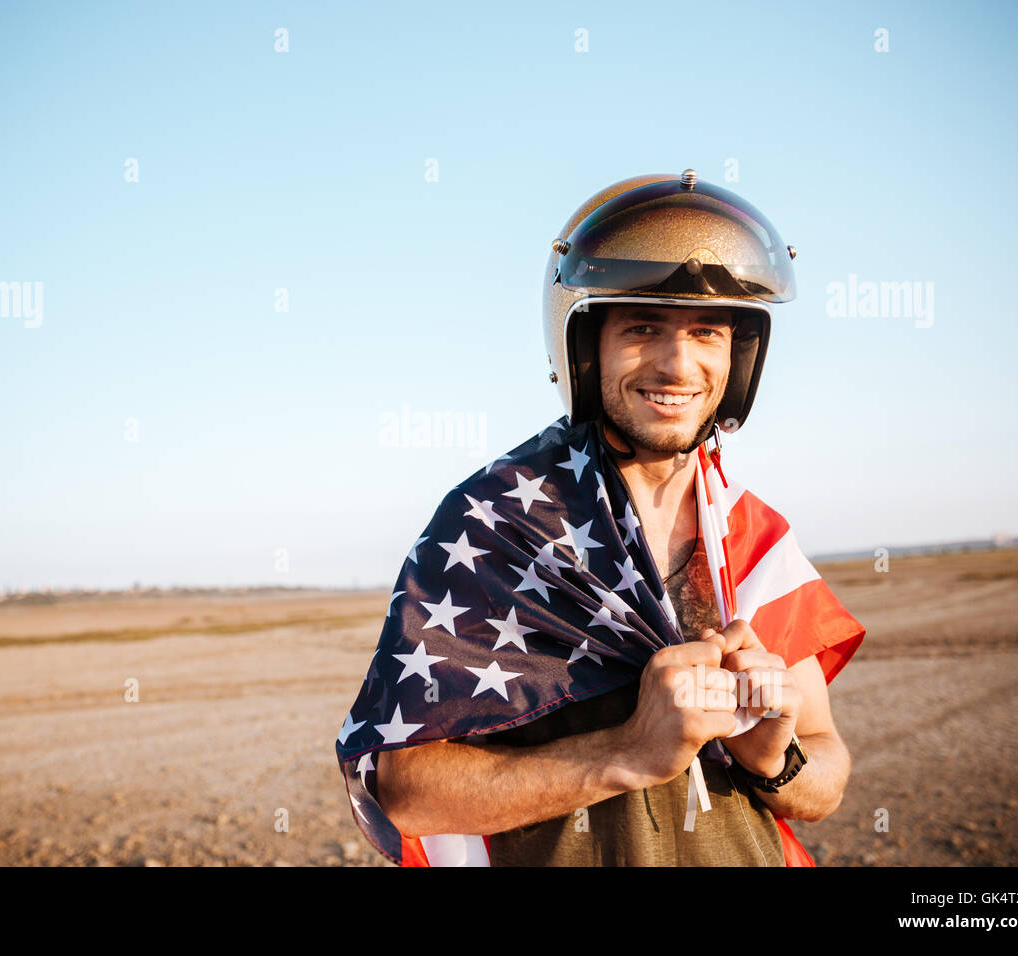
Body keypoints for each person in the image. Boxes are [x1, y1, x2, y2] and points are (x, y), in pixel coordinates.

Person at [335, 170, 865, 866]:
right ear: (586, 348)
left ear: (738, 358)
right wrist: (629, 752)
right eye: (645, 327)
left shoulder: (752, 536)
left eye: (706, 331)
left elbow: (825, 778)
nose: (680, 365)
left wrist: (775, 760)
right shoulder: (490, 524)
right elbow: (406, 789)